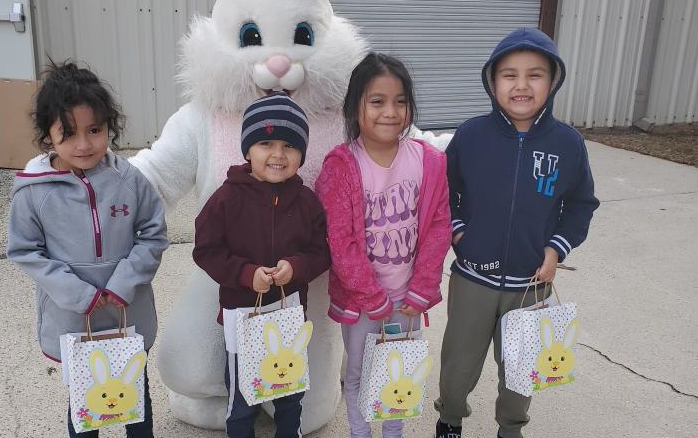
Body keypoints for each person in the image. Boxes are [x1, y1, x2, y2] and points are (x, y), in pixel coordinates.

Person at [433, 27, 600, 438]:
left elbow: (581, 204)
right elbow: (443, 191)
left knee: (521, 368)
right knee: (459, 362)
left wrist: (556, 249)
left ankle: (511, 427)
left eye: (535, 74)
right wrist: (458, 232)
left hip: (532, 282)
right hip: (474, 277)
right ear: (493, 82)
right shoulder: (471, 135)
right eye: (509, 74)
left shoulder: (568, 144)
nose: (521, 85)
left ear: (553, 80)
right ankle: (450, 419)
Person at [7, 60, 168, 437]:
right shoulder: (34, 191)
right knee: (86, 402)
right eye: (69, 133)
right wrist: (78, 293)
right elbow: (25, 251)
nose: (84, 144)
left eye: (95, 130)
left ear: (110, 126)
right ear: (48, 134)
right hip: (74, 319)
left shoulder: (129, 179)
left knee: (134, 394)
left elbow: (154, 234)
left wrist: (123, 282)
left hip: (128, 312)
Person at [315, 53, 452, 438]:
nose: (390, 112)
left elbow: (439, 226)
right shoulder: (342, 166)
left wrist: (423, 288)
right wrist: (372, 297)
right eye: (377, 101)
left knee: (400, 373)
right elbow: (339, 241)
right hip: (363, 303)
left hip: (408, 298)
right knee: (357, 374)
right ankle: (361, 432)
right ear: (355, 107)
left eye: (400, 101)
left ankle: (393, 433)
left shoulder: (428, 161)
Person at [193, 91, 331, 438]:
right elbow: (206, 250)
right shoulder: (225, 199)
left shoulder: (307, 202)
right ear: (248, 150)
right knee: (242, 396)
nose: (277, 155)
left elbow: (322, 252)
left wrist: (296, 267)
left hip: (288, 316)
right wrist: (244, 273)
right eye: (266, 143)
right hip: (241, 317)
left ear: (301, 152)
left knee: (289, 392)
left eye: (289, 145)